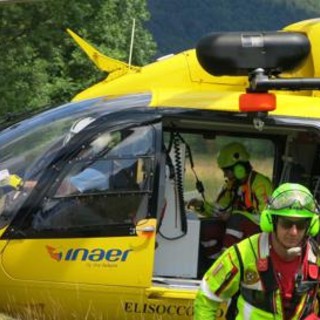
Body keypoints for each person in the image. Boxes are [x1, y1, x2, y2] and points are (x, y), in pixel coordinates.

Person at [194, 183, 320, 320]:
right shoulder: (245, 252)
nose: (293, 232)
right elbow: (207, 296)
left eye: (301, 225)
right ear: (272, 221)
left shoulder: (316, 257)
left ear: (311, 226)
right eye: (286, 223)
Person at [189, 142, 273, 268]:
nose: (224, 175)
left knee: (236, 219)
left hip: (259, 233)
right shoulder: (231, 185)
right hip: (237, 227)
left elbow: (267, 219)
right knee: (207, 226)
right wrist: (201, 206)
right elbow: (221, 210)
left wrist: (234, 215)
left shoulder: (260, 184)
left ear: (239, 168)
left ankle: (226, 266)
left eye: (226, 171)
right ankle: (211, 266)